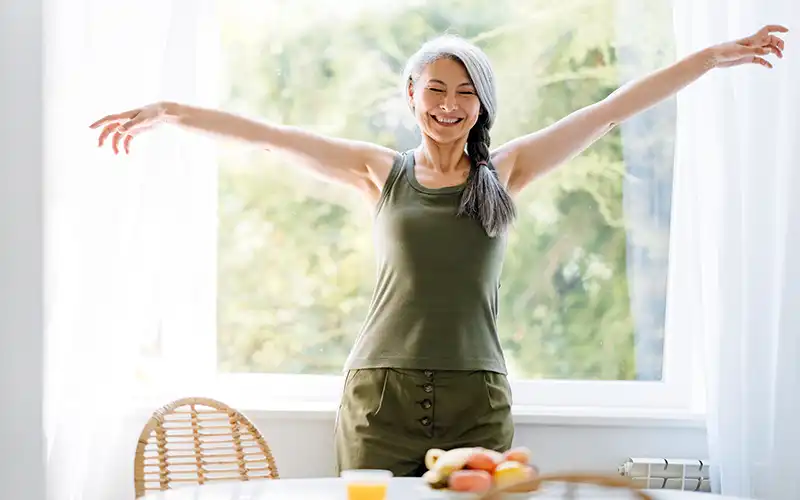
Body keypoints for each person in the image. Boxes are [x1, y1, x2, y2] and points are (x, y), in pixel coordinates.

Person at [90, 25, 787, 477]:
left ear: (481, 105)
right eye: (436, 90)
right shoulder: (378, 171)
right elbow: (274, 135)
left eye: (465, 93)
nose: (449, 105)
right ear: (412, 95)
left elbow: (605, 111)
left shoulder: (504, 173)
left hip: (475, 396)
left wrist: (709, 58)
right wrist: (171, 113)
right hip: (378, 396)